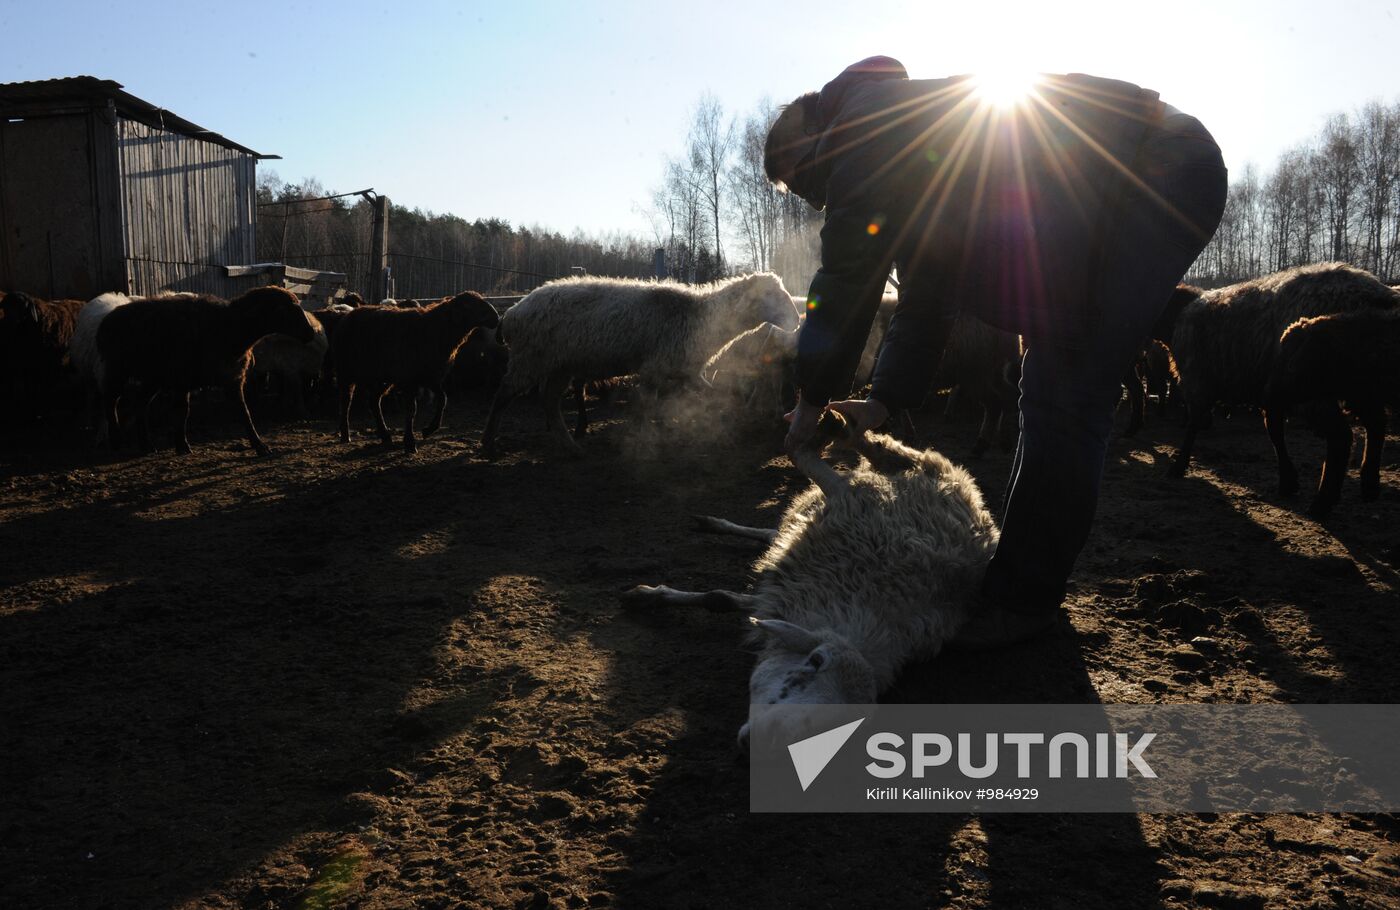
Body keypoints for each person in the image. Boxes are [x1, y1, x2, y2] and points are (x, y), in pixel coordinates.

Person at [767, 57, 1227, 647]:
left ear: (812, 132)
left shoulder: (864, 126)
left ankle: (1021, 600)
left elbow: (850, 274)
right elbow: (924, 304)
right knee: (1052, 386)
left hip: (1153, 168)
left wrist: (812, 398)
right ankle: (1017, 586)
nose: (817, 198)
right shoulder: (899, 151)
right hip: (1117, 189)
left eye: (805, 179)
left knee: (1067, 393)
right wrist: (880, 404)